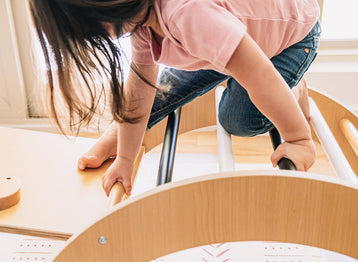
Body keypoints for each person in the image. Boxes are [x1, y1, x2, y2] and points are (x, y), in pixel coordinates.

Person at [29, 0, 321, 196]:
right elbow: (140, 87)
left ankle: (293, 90)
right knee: (165, 86)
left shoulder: (187, 14)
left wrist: (298, 139)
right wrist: (126, 157)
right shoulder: (142, 18)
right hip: (230, 41)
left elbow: (259, 75)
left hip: (290, 41)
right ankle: (116, 133)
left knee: (238, 120)